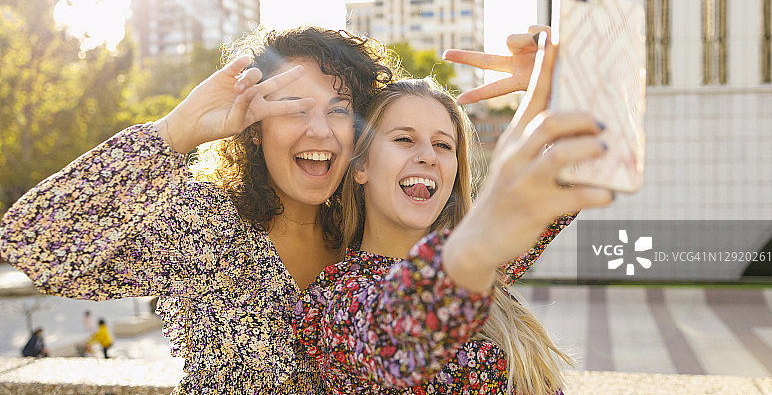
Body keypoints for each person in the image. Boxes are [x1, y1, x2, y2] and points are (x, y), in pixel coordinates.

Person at [0, 26, 394, 394]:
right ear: (255, 128)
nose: (320, 130)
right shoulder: (207, 224)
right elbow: (35, 247)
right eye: (294, 108)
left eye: (339, 110)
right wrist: (176, 130)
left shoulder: (365, 236)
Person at [296, 35, 614, 394]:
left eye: (443, 145)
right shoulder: (333, 300)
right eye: (404, 139)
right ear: (361, 166)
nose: (428, 156)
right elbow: (398, 341)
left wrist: (562, 87)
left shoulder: (482, 255)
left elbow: (588, 158)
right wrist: (482, 238)